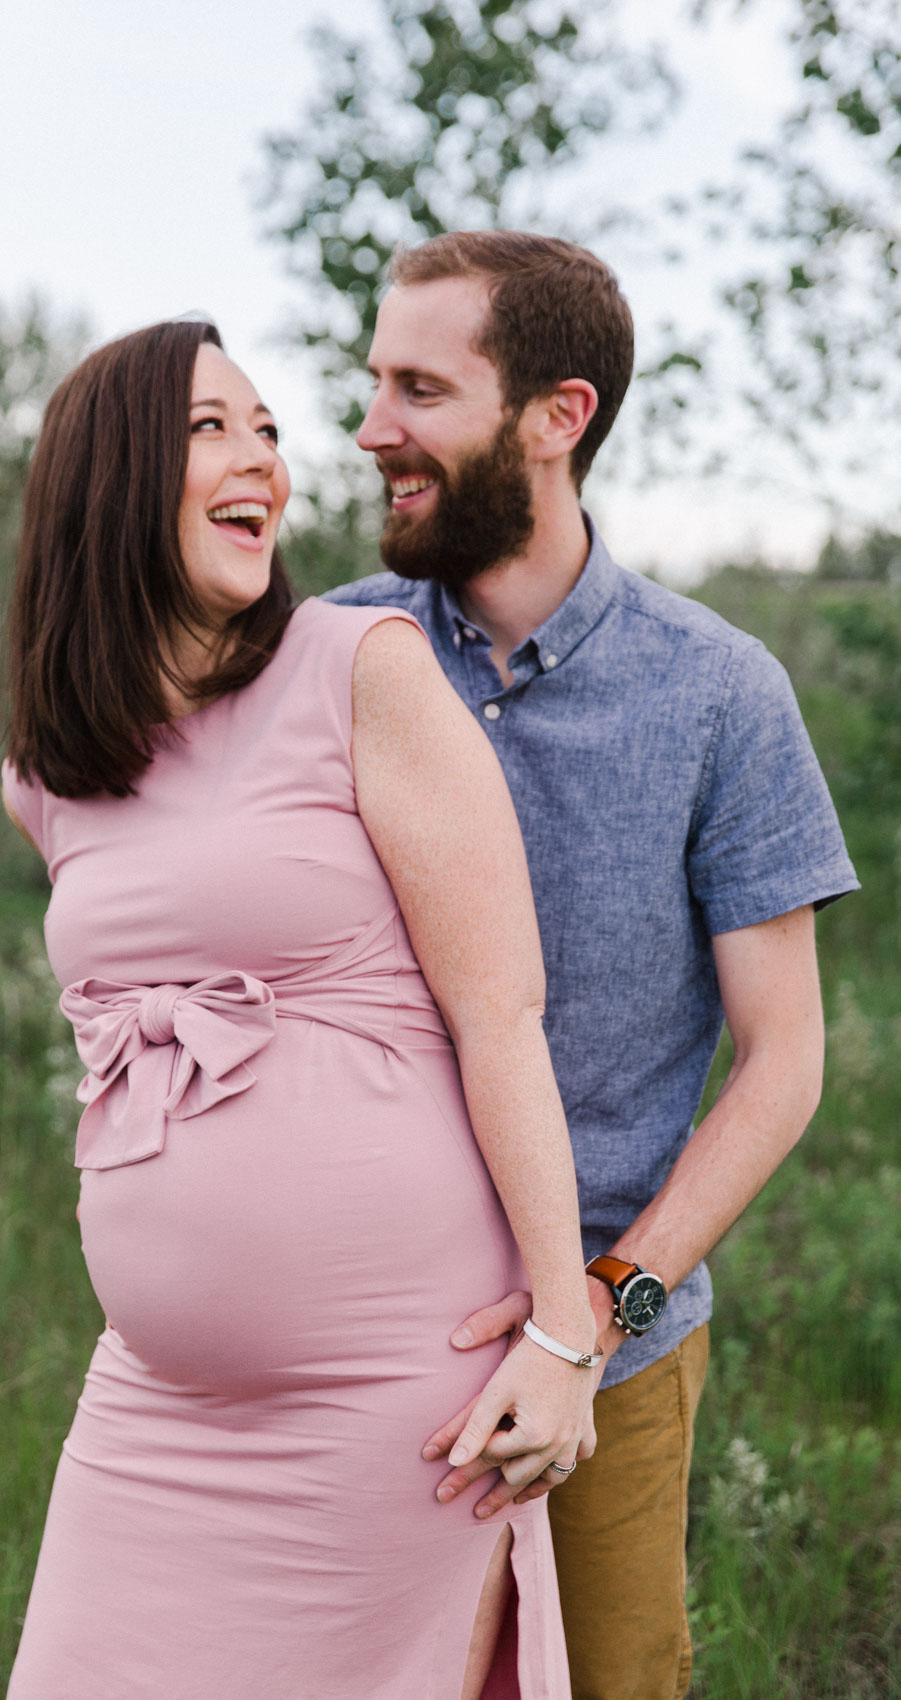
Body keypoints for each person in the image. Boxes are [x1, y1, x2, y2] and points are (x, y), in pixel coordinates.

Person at [0, 316, 602, 1699]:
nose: (260, 460)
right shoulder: (48, 771)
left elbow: (501, 1018)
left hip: (386, 1398)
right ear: (106, 479)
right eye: (211, 427)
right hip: (156, 1399)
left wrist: (560, 1335)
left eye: (266, 430)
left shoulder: (357, 669)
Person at [325, 230, 859, 1700]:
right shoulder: (320, 661)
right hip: (351, 1332)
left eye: (419, 389)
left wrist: (597, 1313)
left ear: (555, 418)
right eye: (374, 383)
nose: (371, 428)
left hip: (611, 1361)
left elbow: (785, 1060)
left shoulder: (720, 695)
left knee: (613, 1684)